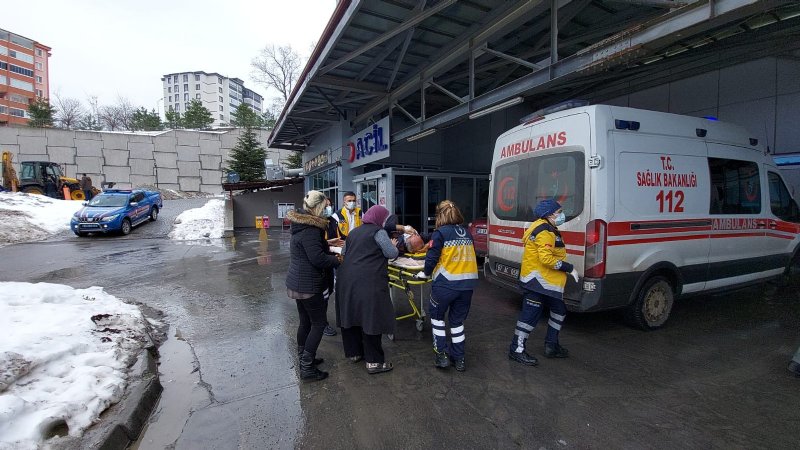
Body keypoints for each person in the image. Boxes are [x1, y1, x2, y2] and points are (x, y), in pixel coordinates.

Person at [508, 199, 578, 366]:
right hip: (538, 281)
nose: (561, 214)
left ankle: (551, 345)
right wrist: (569, 268)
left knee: (559, 310)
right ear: (549, 214)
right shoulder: (544, 231)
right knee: (529, 316)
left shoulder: (547, 227)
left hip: (546, 281)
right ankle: (516, 350)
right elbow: (546, 258)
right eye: (559, 212)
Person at [415, 200, 478, 372]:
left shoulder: (440, 233)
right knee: (457, 322)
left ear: (439, 216)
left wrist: (425, 273)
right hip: (467, 286)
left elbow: (432, 258)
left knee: (437, 319)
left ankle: (441, 355)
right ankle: (459, 359)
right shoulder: (466, 233)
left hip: (445, 285)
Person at [285, 190, 341, 382]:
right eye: (326, 206)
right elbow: (317, 259)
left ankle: (304, 358)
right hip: (308, 284)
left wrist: (326, 243)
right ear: (318, 207)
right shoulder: (311, 229)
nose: (328, 209)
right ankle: (307, 368)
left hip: (298, 282)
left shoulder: (302, 224)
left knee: (306, 322)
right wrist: (338, 260)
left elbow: (310, 249)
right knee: (317, 324)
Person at [336, 205, 399, 374]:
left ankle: (354, 353)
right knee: (371, 318)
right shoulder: (379, 232)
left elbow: (344, 252)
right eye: (385, 218)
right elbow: (391, 253)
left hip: (347, 280)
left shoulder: (354, 231)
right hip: (369, 281)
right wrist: (393, 245)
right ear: (379, 218)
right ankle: (374, 362)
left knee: (352, 315)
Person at [322, 197, 342, 337]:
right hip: (322, 261)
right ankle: (322, 324)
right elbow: (316, 246)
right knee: (321, 296)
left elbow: (339, 237)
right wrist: (330, 245)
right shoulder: (315, 224)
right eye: (326, 206)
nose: (329, 208)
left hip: (331, 260)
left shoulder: (332, 221)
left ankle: (321, 322)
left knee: (328, 292)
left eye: (330, 205)